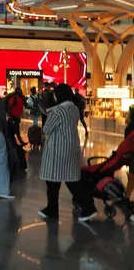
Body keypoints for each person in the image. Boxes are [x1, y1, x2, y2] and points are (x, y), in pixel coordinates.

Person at [38, 83, 97, 222]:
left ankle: (56, 209)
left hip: (57, 150)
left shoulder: (58, 111)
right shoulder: (74, 109)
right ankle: (86, 207)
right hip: (71, 147)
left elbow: (46, 129)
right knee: (70, 179)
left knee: (53, 181)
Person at [124, 105, 134, 200]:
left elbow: (126, 143)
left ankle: (127, 196)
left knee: (132, 177)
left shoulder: (129, 127)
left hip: (132, 156)